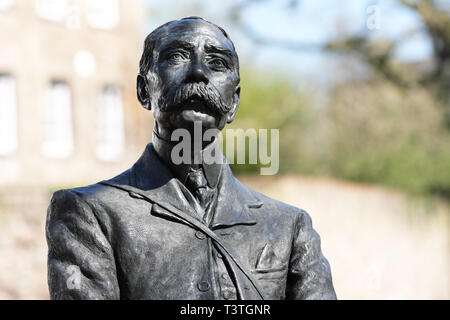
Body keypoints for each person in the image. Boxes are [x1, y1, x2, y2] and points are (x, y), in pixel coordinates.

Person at [46, 17, 336, 300]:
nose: (198, 72)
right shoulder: (89, 213)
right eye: (177, 56)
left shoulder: (288, 226)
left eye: (217, 63)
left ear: (233, 102)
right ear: (143, 90)